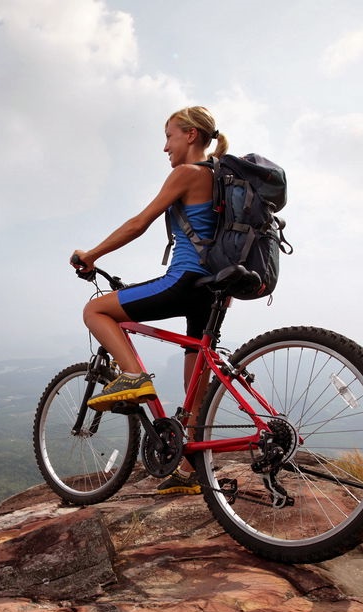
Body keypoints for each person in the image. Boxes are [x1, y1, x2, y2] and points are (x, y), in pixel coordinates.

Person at [71, 106, 229, 495]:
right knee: (196, 378)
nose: (165, 147)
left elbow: (138, 224)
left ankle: (133, 377)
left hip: (187, 280)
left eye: (170, 136)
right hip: (217, 289)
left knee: (96, 309)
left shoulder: (187, 174)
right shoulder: (221, 177)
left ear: (190, 135)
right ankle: (190, 470)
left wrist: (92, 255)